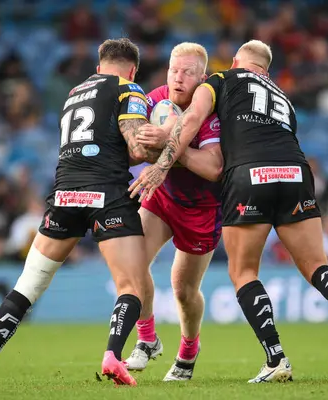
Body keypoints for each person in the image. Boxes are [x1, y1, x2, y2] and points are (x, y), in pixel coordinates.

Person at [131, 40, 328, 382]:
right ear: (266, 71)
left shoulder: (219, 80)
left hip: (250, 175)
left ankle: (276, 358)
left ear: (235, 62)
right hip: (296, 172)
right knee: (316, 264)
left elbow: (190, 121)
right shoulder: (283, 98)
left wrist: (163, 162)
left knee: (244, 271)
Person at [0, 38, 159, 387]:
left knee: (28, 285)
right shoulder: (129, 89)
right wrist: (166, 140)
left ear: (98, 66)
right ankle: (112, 356)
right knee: (132, 285)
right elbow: (137, 146)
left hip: (64, 195)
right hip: (107, 194)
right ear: (132, 69)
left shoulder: (75, 93)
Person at [123, 42, 223, 381]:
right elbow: (134, 148)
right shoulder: (155, 99)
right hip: (162, 197)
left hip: (201, 208)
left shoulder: (211, 110)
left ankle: (188, 351)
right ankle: (147, 338)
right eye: (174, 70)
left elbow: (213, 168)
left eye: (188, 73)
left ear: (203, 78)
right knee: (131, 259)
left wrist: (171, 141)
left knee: (182, 290)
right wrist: (143, 143)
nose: (178, 79)